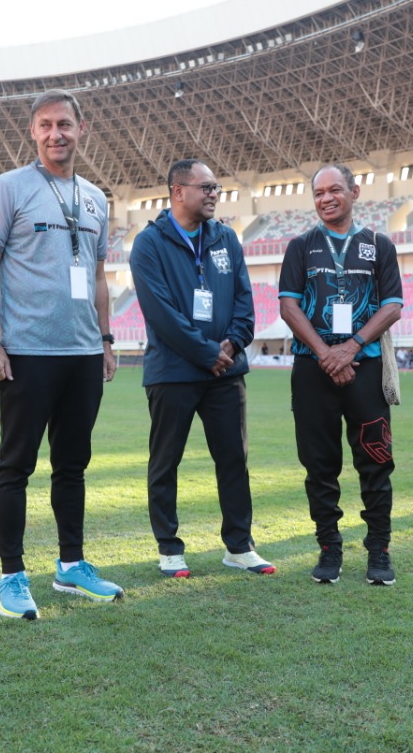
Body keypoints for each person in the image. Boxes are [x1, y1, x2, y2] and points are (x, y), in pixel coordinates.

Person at [0, 89, 123, 620]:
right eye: (45, 125)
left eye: (64, 123)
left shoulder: (96, 198)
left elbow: (98, 277)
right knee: (16, 465)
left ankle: (71, 565)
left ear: (82, 128)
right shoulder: (10, 187)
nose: (55, 133)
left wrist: (105, 340)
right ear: (33, 132)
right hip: (27, 351)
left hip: (82, 353)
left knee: (73, 465)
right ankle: (10, 576)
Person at [128, 159, 272, 579]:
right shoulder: (149, 243)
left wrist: (233, 343)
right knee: (165, 461)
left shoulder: (227, 238)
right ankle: (169, 548)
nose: (213, 194)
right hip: (173, 372)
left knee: (234, 460)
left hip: (226, 373)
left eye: (216, 188)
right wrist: (208, 352)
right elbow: (161, 313)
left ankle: (239, 546)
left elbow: (244, 301)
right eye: (206, 187)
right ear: (178, 191)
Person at [278, 164, 404, 586]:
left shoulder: (378, 244)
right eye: (318, 193)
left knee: (376, 460)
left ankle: (379, 550)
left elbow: (392, 306)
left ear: (354, 191)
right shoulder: (301, 246)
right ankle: (329, 548)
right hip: (312, 371)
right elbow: (289, 307)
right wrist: (326, 354)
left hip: (366, 368)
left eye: (334, 190)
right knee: (319, 464)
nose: (326, 198)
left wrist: (350, 348)